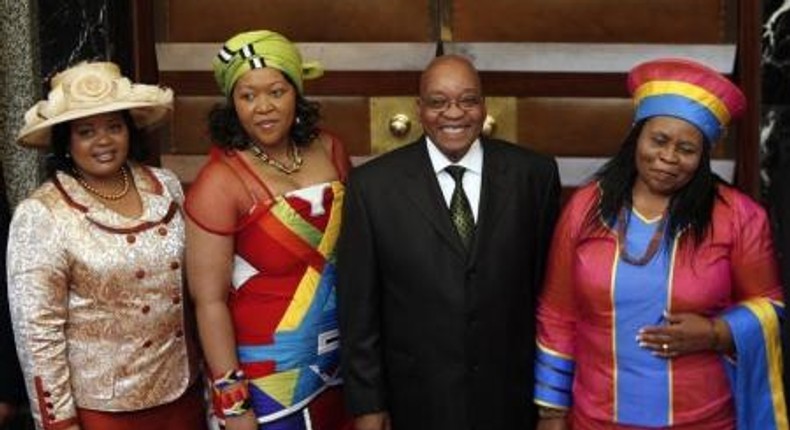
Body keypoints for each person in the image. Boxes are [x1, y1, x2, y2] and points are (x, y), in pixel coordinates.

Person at [534, 58, 787, 429]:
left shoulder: (739, 216)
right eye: (659, 140)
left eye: (687, 149)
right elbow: (557, 314)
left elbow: (771, 309)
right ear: (637, 136)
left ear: (703, 157)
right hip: (597, 418)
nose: (668, 158)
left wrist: (718, 333)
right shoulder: (585, 208)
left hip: (705, 419)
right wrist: (552, 413)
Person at [336, 54, 561, 430]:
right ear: (419, 108)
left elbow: (551, 297)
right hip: (416, 400)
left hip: (511, 398)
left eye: (468, 100)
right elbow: (359, 310)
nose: (454, 113)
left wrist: (552, 403)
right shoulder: (372, 187)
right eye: (438, 102)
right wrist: (368, 407)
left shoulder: (533, 175)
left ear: (484, 106)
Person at [8, 61, 206, 430]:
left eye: (114, 127)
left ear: (129, 130)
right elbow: (38, 334)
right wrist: (59, 422)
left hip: (182, 392)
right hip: (103, 410)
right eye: (86, 131)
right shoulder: (42, 213)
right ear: (66, 141)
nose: (103, 141)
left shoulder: (165, 186)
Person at [184, 30, 353, 430]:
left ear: (296, 92)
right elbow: (208, 303)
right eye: (248, 96)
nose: (264, 107)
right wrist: (234, 406)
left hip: (343, 367)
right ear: (232, 104)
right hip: (269, 381)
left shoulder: (330, 149)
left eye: (276, 92)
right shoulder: (220, 182)